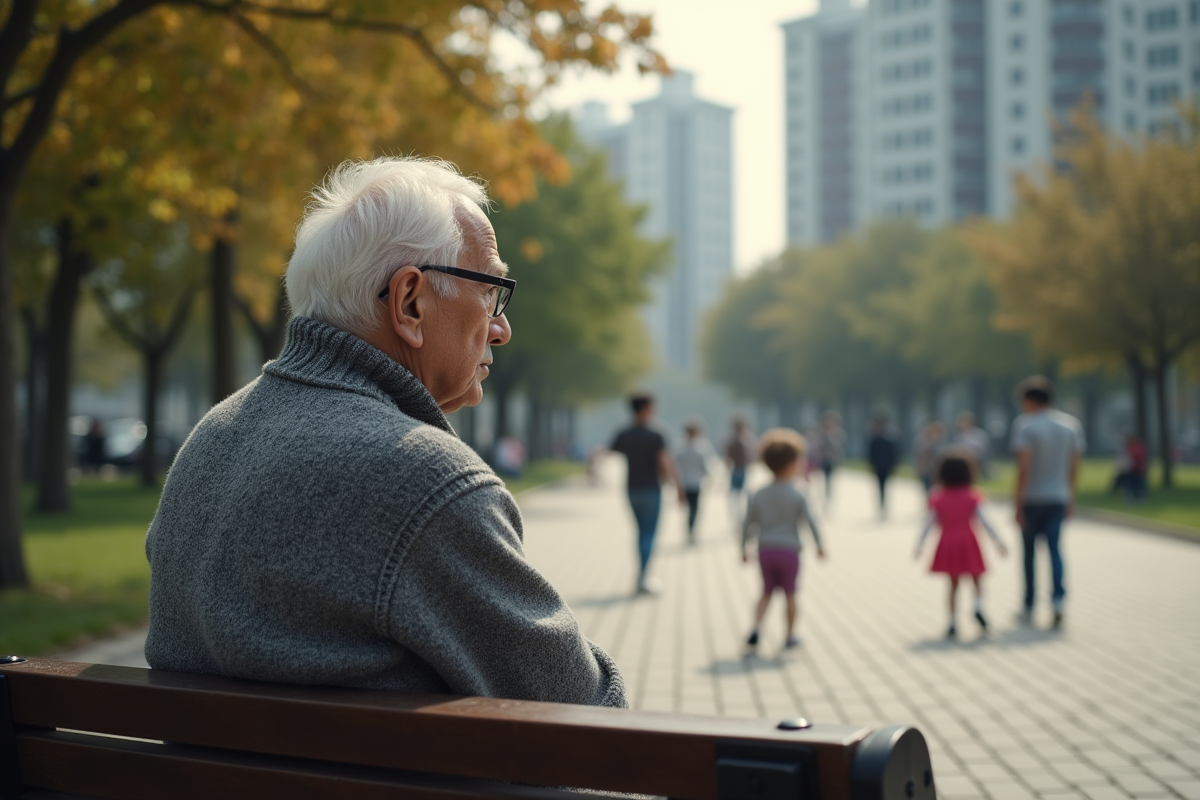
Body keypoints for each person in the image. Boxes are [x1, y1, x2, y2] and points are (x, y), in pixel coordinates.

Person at [144, 157, 625, 708]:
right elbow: (582, 714)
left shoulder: (210, 440)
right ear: (410, 303)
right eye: (492, 291)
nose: (502, 328)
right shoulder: (429, 481)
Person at [1010, 376, 1085, 629]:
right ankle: (1058, 601)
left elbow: (1024, 467)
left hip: (1032, 499)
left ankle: (1029, 605)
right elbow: (1074, 465)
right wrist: (1071, 496)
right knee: (1055, 550)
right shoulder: (1070, 425)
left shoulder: (1026, 426)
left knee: (1029, 554)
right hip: (1058, 497)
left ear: (1030, 400)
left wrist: (1017, 503)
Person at [741, 428, 825, 651]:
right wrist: (820, 545)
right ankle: (789, 635)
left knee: (766, 591)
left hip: (765, 549)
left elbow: (747, 523)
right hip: (789, 550)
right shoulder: (798, 492)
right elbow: (810, 521)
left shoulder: (758, 493)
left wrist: (742, 547)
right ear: (792, 464)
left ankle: (756, 627)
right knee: (790, 593)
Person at [914, 450, 1007, 640]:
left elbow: (928, 523)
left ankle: (952, 622)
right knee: (977, 579)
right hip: (969, 541)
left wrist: (920, 544)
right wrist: (998, 541)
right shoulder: (973, 496)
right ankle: (978, 606)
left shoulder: (938, 497)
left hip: (948, 542)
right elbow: (986, 521)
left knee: (953, 585)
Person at [611, 394, 683, 595]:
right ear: (645, 409)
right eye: (653, 407)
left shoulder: (624, 433)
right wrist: (678, 487)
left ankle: (641, 575)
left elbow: (612, 451)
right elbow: (665, 462)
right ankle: (644, 577)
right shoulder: (656, 433)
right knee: (649, 534)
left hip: (631, 488)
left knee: (640, 532)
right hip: (651, 489)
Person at [674, 419, 714, 545]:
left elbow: (675, 466)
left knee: (690, 509)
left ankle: (689, 530)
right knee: (694, 509)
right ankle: (691, 530)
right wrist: (709, 478)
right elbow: (705, 466)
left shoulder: (679, 446)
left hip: (685, 482)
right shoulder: (701, 446)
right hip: (694, 482)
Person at [724, 416, 757, 530]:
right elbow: (729, 456)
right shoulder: (733, 439)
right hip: (736, 470)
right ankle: (737, 517)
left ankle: (742, 517)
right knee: (736, 495)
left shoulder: (747, 438)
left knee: (742, 495)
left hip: (742, 470)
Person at [866, 414, 899, 519]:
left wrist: (894, 465)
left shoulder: (889, 437)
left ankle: (883, 506)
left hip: (886, 465)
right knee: (880, 487)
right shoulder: (875, 438)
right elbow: (871, 453)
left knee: (884, 487)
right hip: (878, 466)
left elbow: (894, 453)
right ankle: (881, 506)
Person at [814, 412, 845, 504]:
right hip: (822, 459)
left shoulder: (838, 433)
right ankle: (822, 496)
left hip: (831, 459)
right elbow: (817, 446)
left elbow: (839, 447)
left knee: (829, 479)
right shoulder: (821, 433)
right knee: (820, 479)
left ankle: (828, 497)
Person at [1110, 433, 1147, 502]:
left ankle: (1138, 497)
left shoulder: (1136, 447)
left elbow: (1137, 459)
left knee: (1136, 483)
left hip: (1137, 470)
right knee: (1124, 480)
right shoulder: (1130, 447)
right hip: (1131, 469)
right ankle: (1131, 496)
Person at [913, 421, 946, 494]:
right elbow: (919, 454)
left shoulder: (941, 441)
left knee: (937, 489)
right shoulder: (923, 440)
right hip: (926, 469)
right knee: (927, 488)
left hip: (937, 470)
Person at [953, 411, 990, 477]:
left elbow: (982, 447)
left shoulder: (979, 433)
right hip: (962, 459)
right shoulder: (959, 435)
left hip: (976, 459)